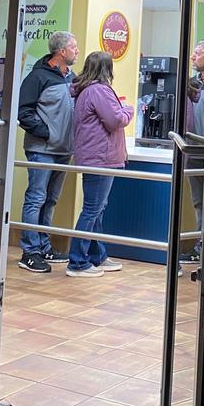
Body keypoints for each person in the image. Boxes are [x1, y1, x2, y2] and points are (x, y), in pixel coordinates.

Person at [66, 51, 134, 277]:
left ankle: (97, 255)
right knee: (92, 209)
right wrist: (129, 110)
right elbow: (116, 121)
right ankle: (76, 262)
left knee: (97, 209)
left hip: (94, 155)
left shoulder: (85, 90)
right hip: (100, 158)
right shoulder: (99, 90)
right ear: (108, 69)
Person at [16, 31, 78, 273]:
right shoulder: (38, 77)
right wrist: (48, 133)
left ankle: (43, 245)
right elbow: (23, 112)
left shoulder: (71, 77)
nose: (77, 51)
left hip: (64, 150)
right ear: (62, 51)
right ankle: (29, 252)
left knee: (50, 201)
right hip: (42, 150)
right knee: (36, 199)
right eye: (74, 47)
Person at [181, 39, 204, 264]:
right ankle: (201, 246)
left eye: (197, 53)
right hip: (193, 154)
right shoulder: (191, 84)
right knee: (199, 202)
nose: (192, 57)